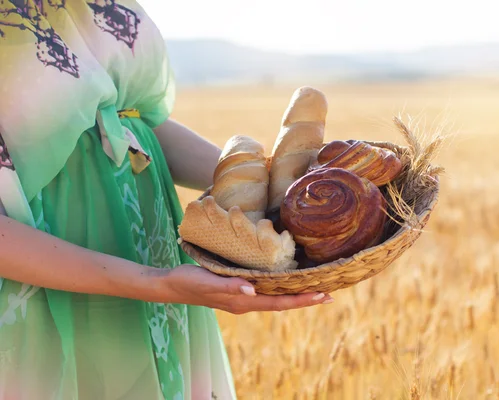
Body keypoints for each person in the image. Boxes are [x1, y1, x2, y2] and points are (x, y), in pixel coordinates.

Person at [0, 1, 333, 398]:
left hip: (160, 270)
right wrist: (159, 285)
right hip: (57, 287)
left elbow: (126, 119)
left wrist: (274, 191)